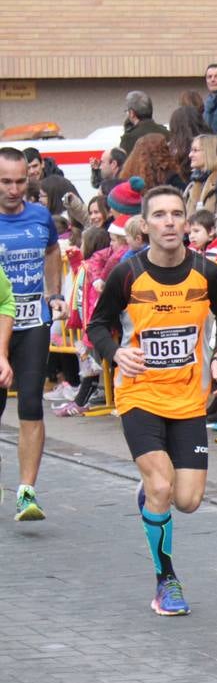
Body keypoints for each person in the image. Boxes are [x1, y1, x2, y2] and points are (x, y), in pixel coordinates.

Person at [84, 186, 217, 615]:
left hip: (189, 398)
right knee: (162, 487)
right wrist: (115, 353)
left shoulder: (206, 272)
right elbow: (97, 325)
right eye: (160, 215)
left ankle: (152, 493)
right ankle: (165, 580)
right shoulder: (127, 275)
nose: (169, 222)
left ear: (187, 224)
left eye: (176, 215)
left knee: (186, 501)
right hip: (140, 395)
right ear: (145, 224)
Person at [0, 147, 67, 520]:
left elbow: (52, 252)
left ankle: (27, 491)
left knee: (30, 402)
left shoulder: (40, 216)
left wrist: (53, 293)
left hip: (33, 321)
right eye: (6, 182)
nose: (14, 189)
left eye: (20, 181)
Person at [119, 92, 171, 156]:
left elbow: (124, 164)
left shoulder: (128, 138)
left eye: (127, 111)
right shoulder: (166, 133)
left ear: (132, 113)